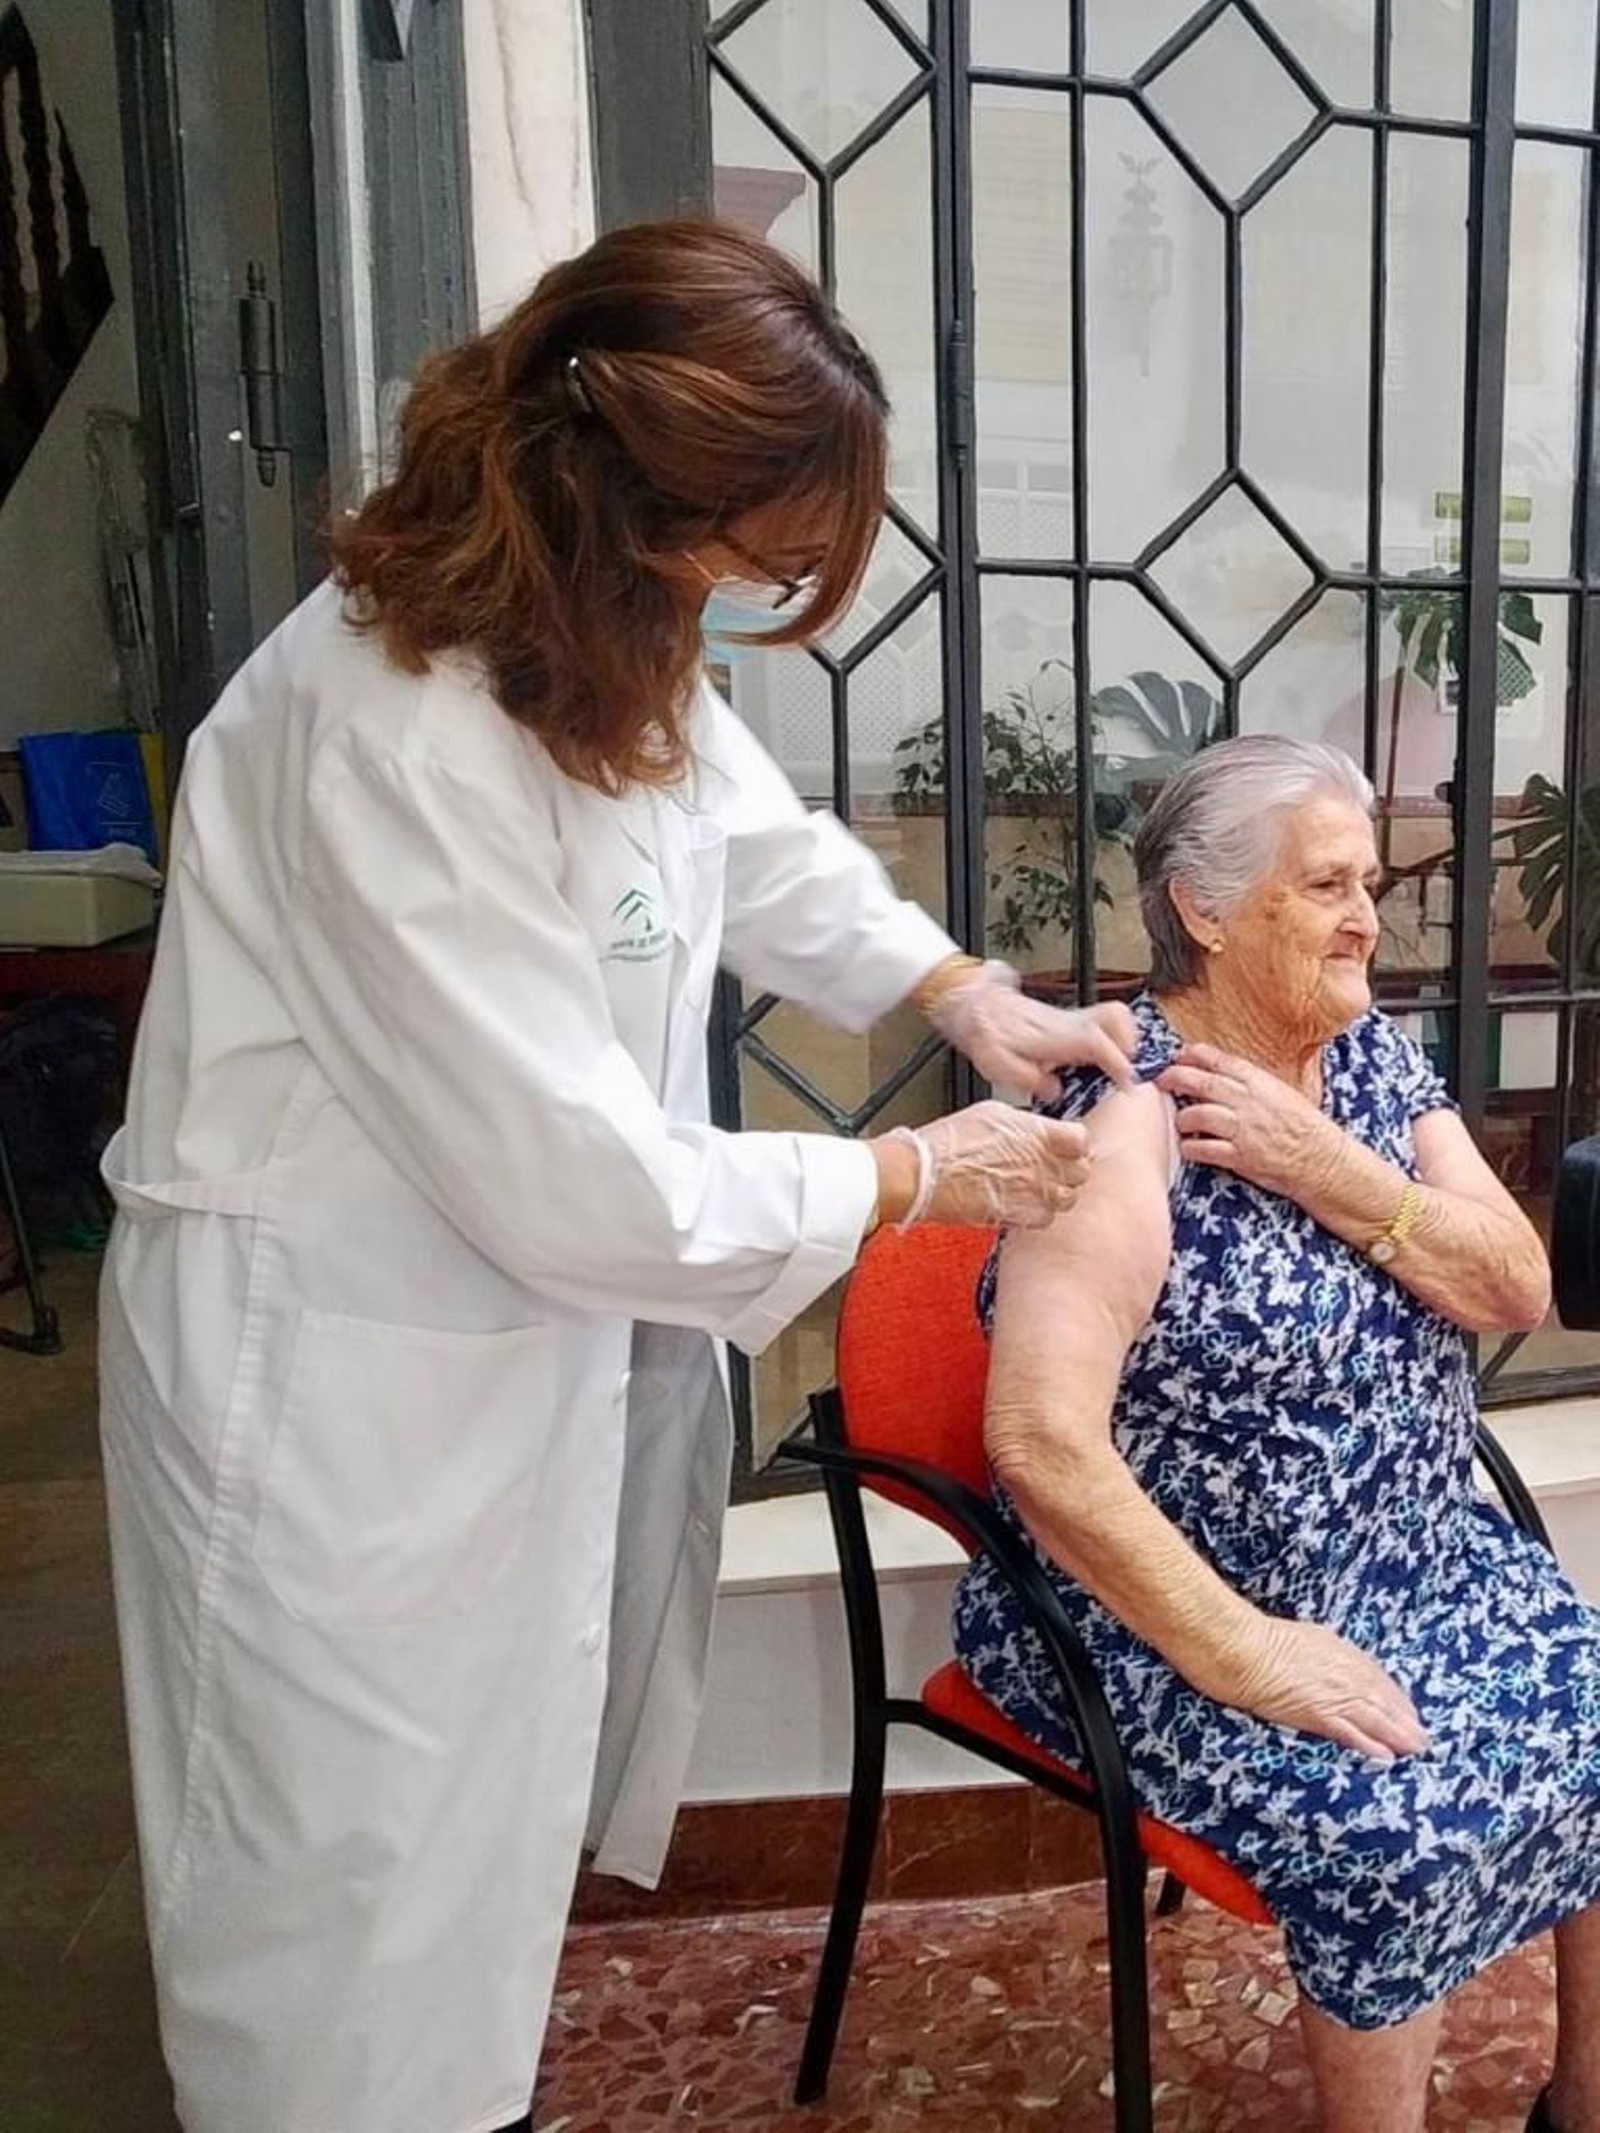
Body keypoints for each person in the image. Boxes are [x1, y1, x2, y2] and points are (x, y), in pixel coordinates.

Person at [97, 218, 1137, 2133]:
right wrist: (913, 1174)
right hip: (336, 1384)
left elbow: (746, 842)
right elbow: (583, 1184)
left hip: (497, 1356)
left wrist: (955, 987)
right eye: (750, 560)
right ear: (613, 498)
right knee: (333, 1904)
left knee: (463, 1870)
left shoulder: (598, 641)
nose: (753, 601)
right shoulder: (388, 731)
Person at [952, 734, 1600, 2133]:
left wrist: (1327, 1169)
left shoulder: (1368, 1066)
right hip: (1178, 1615)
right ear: (1203, 907)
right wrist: (1251, 1649)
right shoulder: (1122, 1116)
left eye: (1367, 880)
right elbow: (1040, 1441)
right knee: (1403, 1834)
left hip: (1425, 1567)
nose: (1369, 913)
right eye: (1326, 885)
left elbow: (1520, 1284)